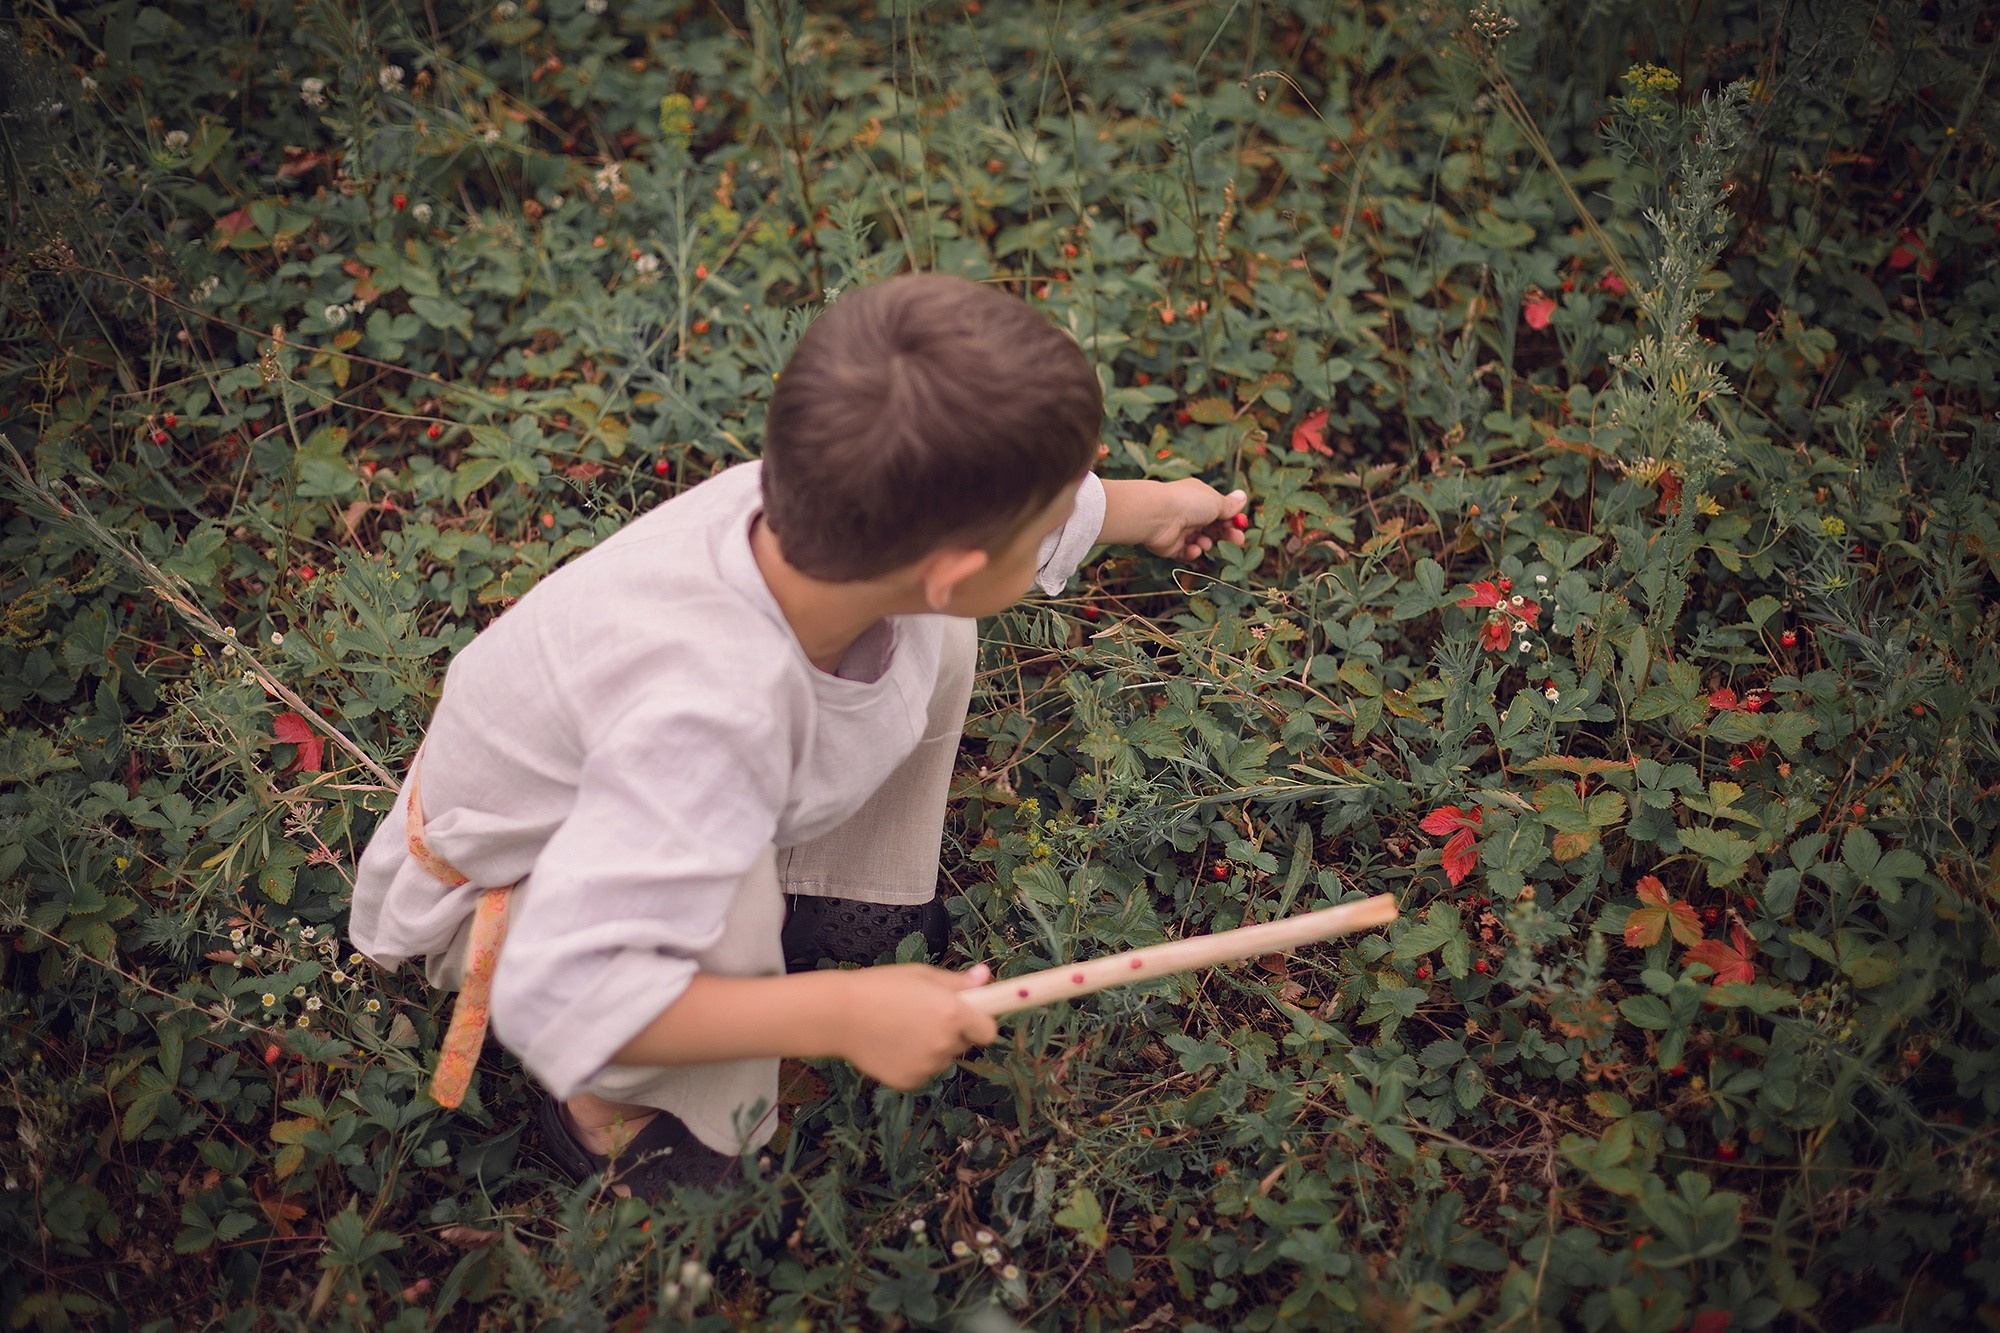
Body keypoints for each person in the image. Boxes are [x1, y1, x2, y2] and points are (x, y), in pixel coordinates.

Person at [347, 273, 1247, 1196]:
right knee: (723, 924)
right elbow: (560, 991)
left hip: (655, 793)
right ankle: (612, 1115)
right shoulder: (710, 720)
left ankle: (838, 893)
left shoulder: (831, 517)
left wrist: (1146, 508)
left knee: (934, 635)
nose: (1059, 527)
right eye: (1043, 526)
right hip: (529, 894)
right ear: (954, 563)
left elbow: (976, 522)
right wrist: (844, 1012)